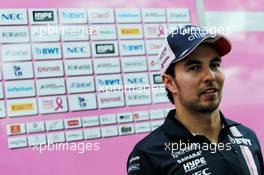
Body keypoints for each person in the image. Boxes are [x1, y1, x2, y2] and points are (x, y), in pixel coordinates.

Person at [127, 24, 264, 175]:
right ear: (170, 82)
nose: (210, 76)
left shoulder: (246, 137)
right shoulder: (148, 155)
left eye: (214, 64)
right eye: (194, 68)